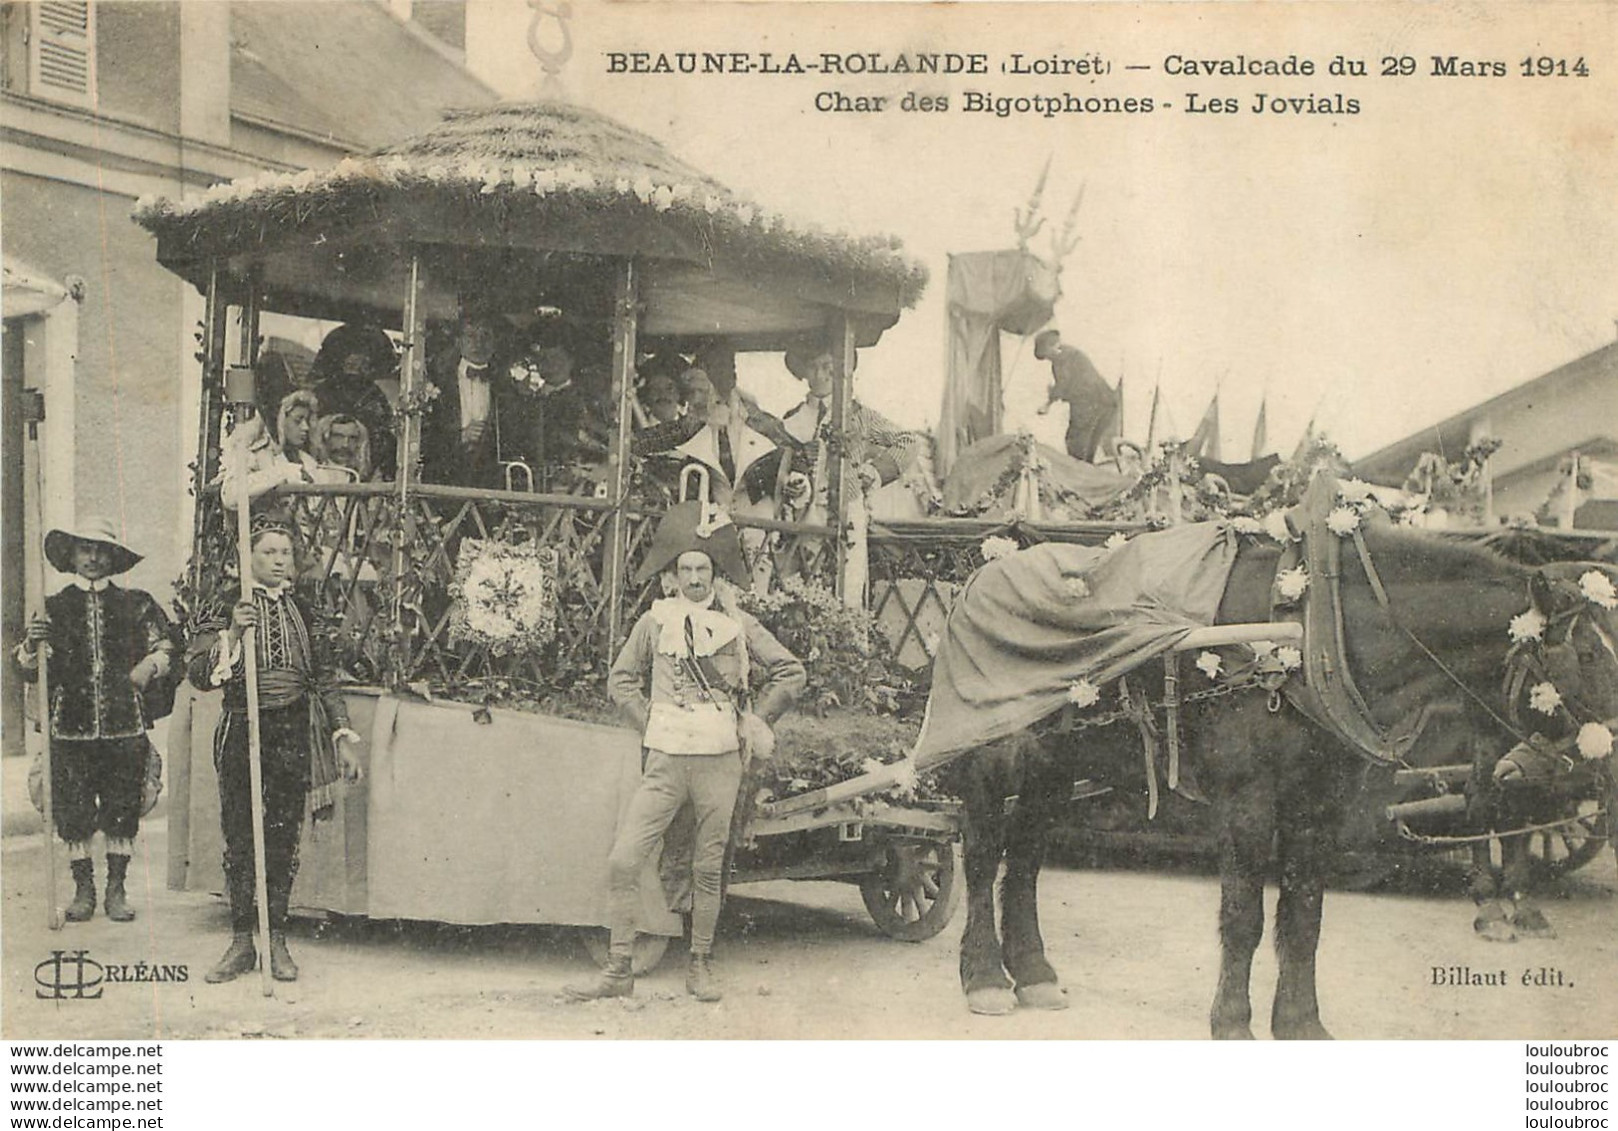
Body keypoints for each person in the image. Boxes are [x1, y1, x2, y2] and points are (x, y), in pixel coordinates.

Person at [565, 501, 804, 1003]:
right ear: (672, 575)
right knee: (625, 860)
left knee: (707, 867)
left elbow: (791, 671)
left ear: (716, 574)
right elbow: (621, 680)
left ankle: (700, 963)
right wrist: (649, 721)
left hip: (719, 760)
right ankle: (618, 967)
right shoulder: (655, 622)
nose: (695, 579)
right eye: (686, 569)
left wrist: (755, 719)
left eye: (703, 569)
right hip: (667, 760)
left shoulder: (738, 625)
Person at [186, 511, 363, 983]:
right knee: (242, 838)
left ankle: (277, 940)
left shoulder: (304, 607)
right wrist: (233, 633)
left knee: (282, 838)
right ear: (248, 557)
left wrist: (341, 732)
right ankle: (242, 941)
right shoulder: (226, 604)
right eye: (269, 551)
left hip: (292, 731)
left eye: (286, 552)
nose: (280, 561)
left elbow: (324, 676)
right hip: (242, 729)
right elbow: (201, 677)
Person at [14, 517, 179, 923]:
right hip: (69, 725)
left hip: (125, 723)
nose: (92, 557)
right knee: (73, 808)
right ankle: (83, 889)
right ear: (71, 555)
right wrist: (32, 646)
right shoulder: (52, 607)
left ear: (113, 558)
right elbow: (29, 667)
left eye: (100, 549)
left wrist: (150, 666)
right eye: (84, 549)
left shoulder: (137, 603)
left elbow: (168, 646)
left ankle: (116, 890)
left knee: (123, 806)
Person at [310, 324, 400, 476]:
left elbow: (384, 432)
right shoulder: (323, 392)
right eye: (350, 361)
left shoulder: (374, 394)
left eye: (362, 361)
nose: (356, 366)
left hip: (365, 466)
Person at [1033, 328, 1119, 464]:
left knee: (1077, 442)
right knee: (1081, 443)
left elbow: (1071, 385)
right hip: (1091, 402)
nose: (1048, 359)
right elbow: (1062, 384)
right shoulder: (1058, 361)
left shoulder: (1073, 357)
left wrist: (1052, 399)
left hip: (1097, 402)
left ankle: (1081, 474)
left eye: (1047, 355)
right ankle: (1084, 472)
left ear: (1054, 346)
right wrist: (1049, 402)